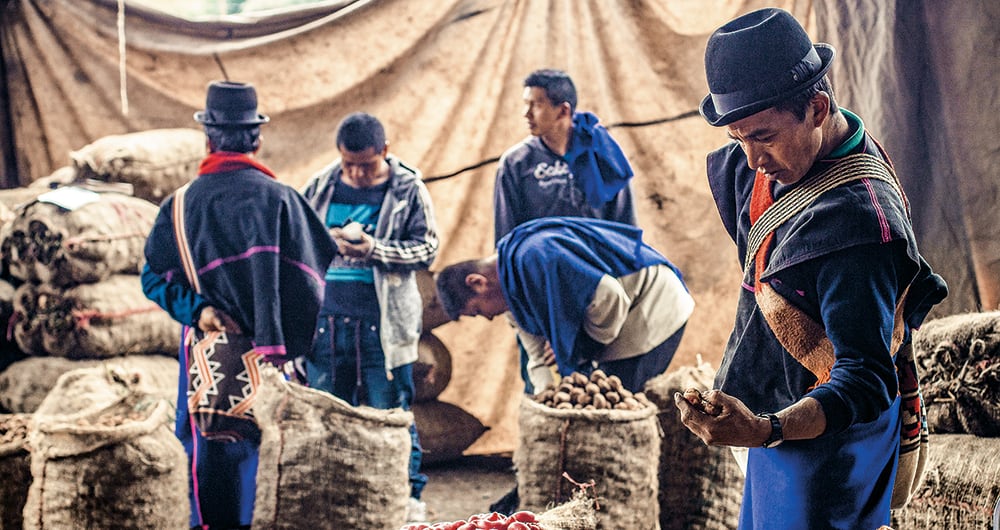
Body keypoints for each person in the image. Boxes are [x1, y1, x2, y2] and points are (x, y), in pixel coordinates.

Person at [672, 8, 948, 529]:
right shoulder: (764, 163)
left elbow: (865, 379)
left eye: (764, 136)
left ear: (817, 107)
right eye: (738, 138)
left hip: (833, 440)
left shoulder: (859, 224)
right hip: (777, 416)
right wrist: (759, 420)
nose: (752, 159)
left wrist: (767, 428)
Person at [141, 80, 336, 529]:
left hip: (206, 357)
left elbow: (152, 277)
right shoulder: (283, 201)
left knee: (206, 452)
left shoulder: (180, 206)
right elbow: (311, 281)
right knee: (269, 454)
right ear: (257, 139)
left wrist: (200, 311)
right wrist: (282, 336)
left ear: (208, 139)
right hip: (272, 360)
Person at [299, 112, 438, 523]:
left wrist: (374, 250)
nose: (357, 174)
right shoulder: (322, 184)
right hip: (326, 324)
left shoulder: (409, 188)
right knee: (328, 414)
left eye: (367, 164)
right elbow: (301, 242)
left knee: (391, 415)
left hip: (385, 326)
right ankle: (339, 499)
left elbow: (426, 248)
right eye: (349, 165)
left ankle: (407, 502)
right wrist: (329, 244)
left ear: (385, 152)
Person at [495, 67, 640, 397]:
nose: (526, 113)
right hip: (540, 304)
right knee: (545, 394)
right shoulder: (516, 165)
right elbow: (507, 249)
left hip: (599, 299)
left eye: (536, 104)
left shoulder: (604, 157)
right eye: (526, 103)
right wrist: (541, 326)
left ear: (563, 110)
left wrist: (610, 312)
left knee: (600, 393)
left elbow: (623, 236)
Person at [436, 216, 693, 394]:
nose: (489, 318)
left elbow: (610, 296)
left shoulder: (538, 256)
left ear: (478, 283)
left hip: (653, 304)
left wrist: (581, 345)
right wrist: (546, 398)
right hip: (620, 318)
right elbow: (536, 356)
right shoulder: (513, 297)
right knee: (598, 393)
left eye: (478, 311)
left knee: (620, 397)